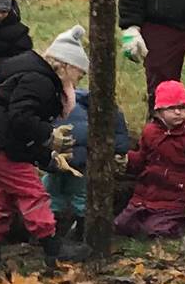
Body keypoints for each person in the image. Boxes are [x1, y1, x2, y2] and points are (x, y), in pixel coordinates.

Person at [0, 25, 96, 270]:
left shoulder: (26, 73)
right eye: (79, 73)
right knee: (32, 193)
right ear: (66, 66)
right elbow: (21, 119)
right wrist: (49, 135)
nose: (79, 80)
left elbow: (20, 127)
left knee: (0, 199)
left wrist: (47, 157)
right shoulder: (41, 82)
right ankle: (52, 247)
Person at [44, 27, 134, 239]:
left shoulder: (79, 98)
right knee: (61, 193)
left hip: (67, 159)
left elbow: (112, 117)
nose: (81, 78)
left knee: (67, 193)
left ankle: (70, 233)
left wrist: (119, 147)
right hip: (62, 159)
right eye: (80, 72)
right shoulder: (50, 95)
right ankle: (65, 233)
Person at [117, 81, 185, 239]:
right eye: (171, 108)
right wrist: (126, 159)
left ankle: (178, 226)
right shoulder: (150, 132)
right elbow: (142, 158)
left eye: (183, 107)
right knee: (123, 225)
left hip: (175, 199)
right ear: (158, 112)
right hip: (145, 196)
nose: (178, 112)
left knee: (158, 230)